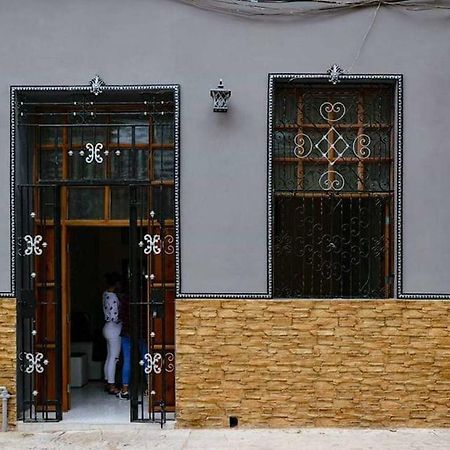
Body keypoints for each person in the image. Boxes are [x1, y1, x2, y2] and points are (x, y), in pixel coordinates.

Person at [102, 272, 122, 395]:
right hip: (114, 328)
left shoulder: (105, 294)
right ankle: (112, 385)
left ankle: (107, 381)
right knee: (114, 358)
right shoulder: (113, 297)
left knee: (109, 356)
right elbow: (115, 317)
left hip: (106, 327)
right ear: (116, 284)